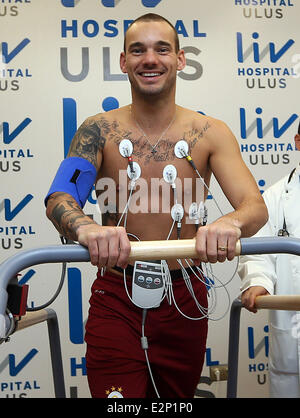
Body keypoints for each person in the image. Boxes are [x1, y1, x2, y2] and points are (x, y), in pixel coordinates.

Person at [45, 13, 267, 398]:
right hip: (117, 294)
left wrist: (229, 223)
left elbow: (254, 207)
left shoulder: (209, 131)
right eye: (138, 50)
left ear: (181, 60)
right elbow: (60, 198)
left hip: (186, 296)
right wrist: (86, 228)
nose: (150, 59)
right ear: (123, 62)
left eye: (162, 49)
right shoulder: (97, 130)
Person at [238, 124, 300, 398]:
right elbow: (257, 250)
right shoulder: (275, 197)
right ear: (298, 141)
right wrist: (258, 282)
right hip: (292, 335)